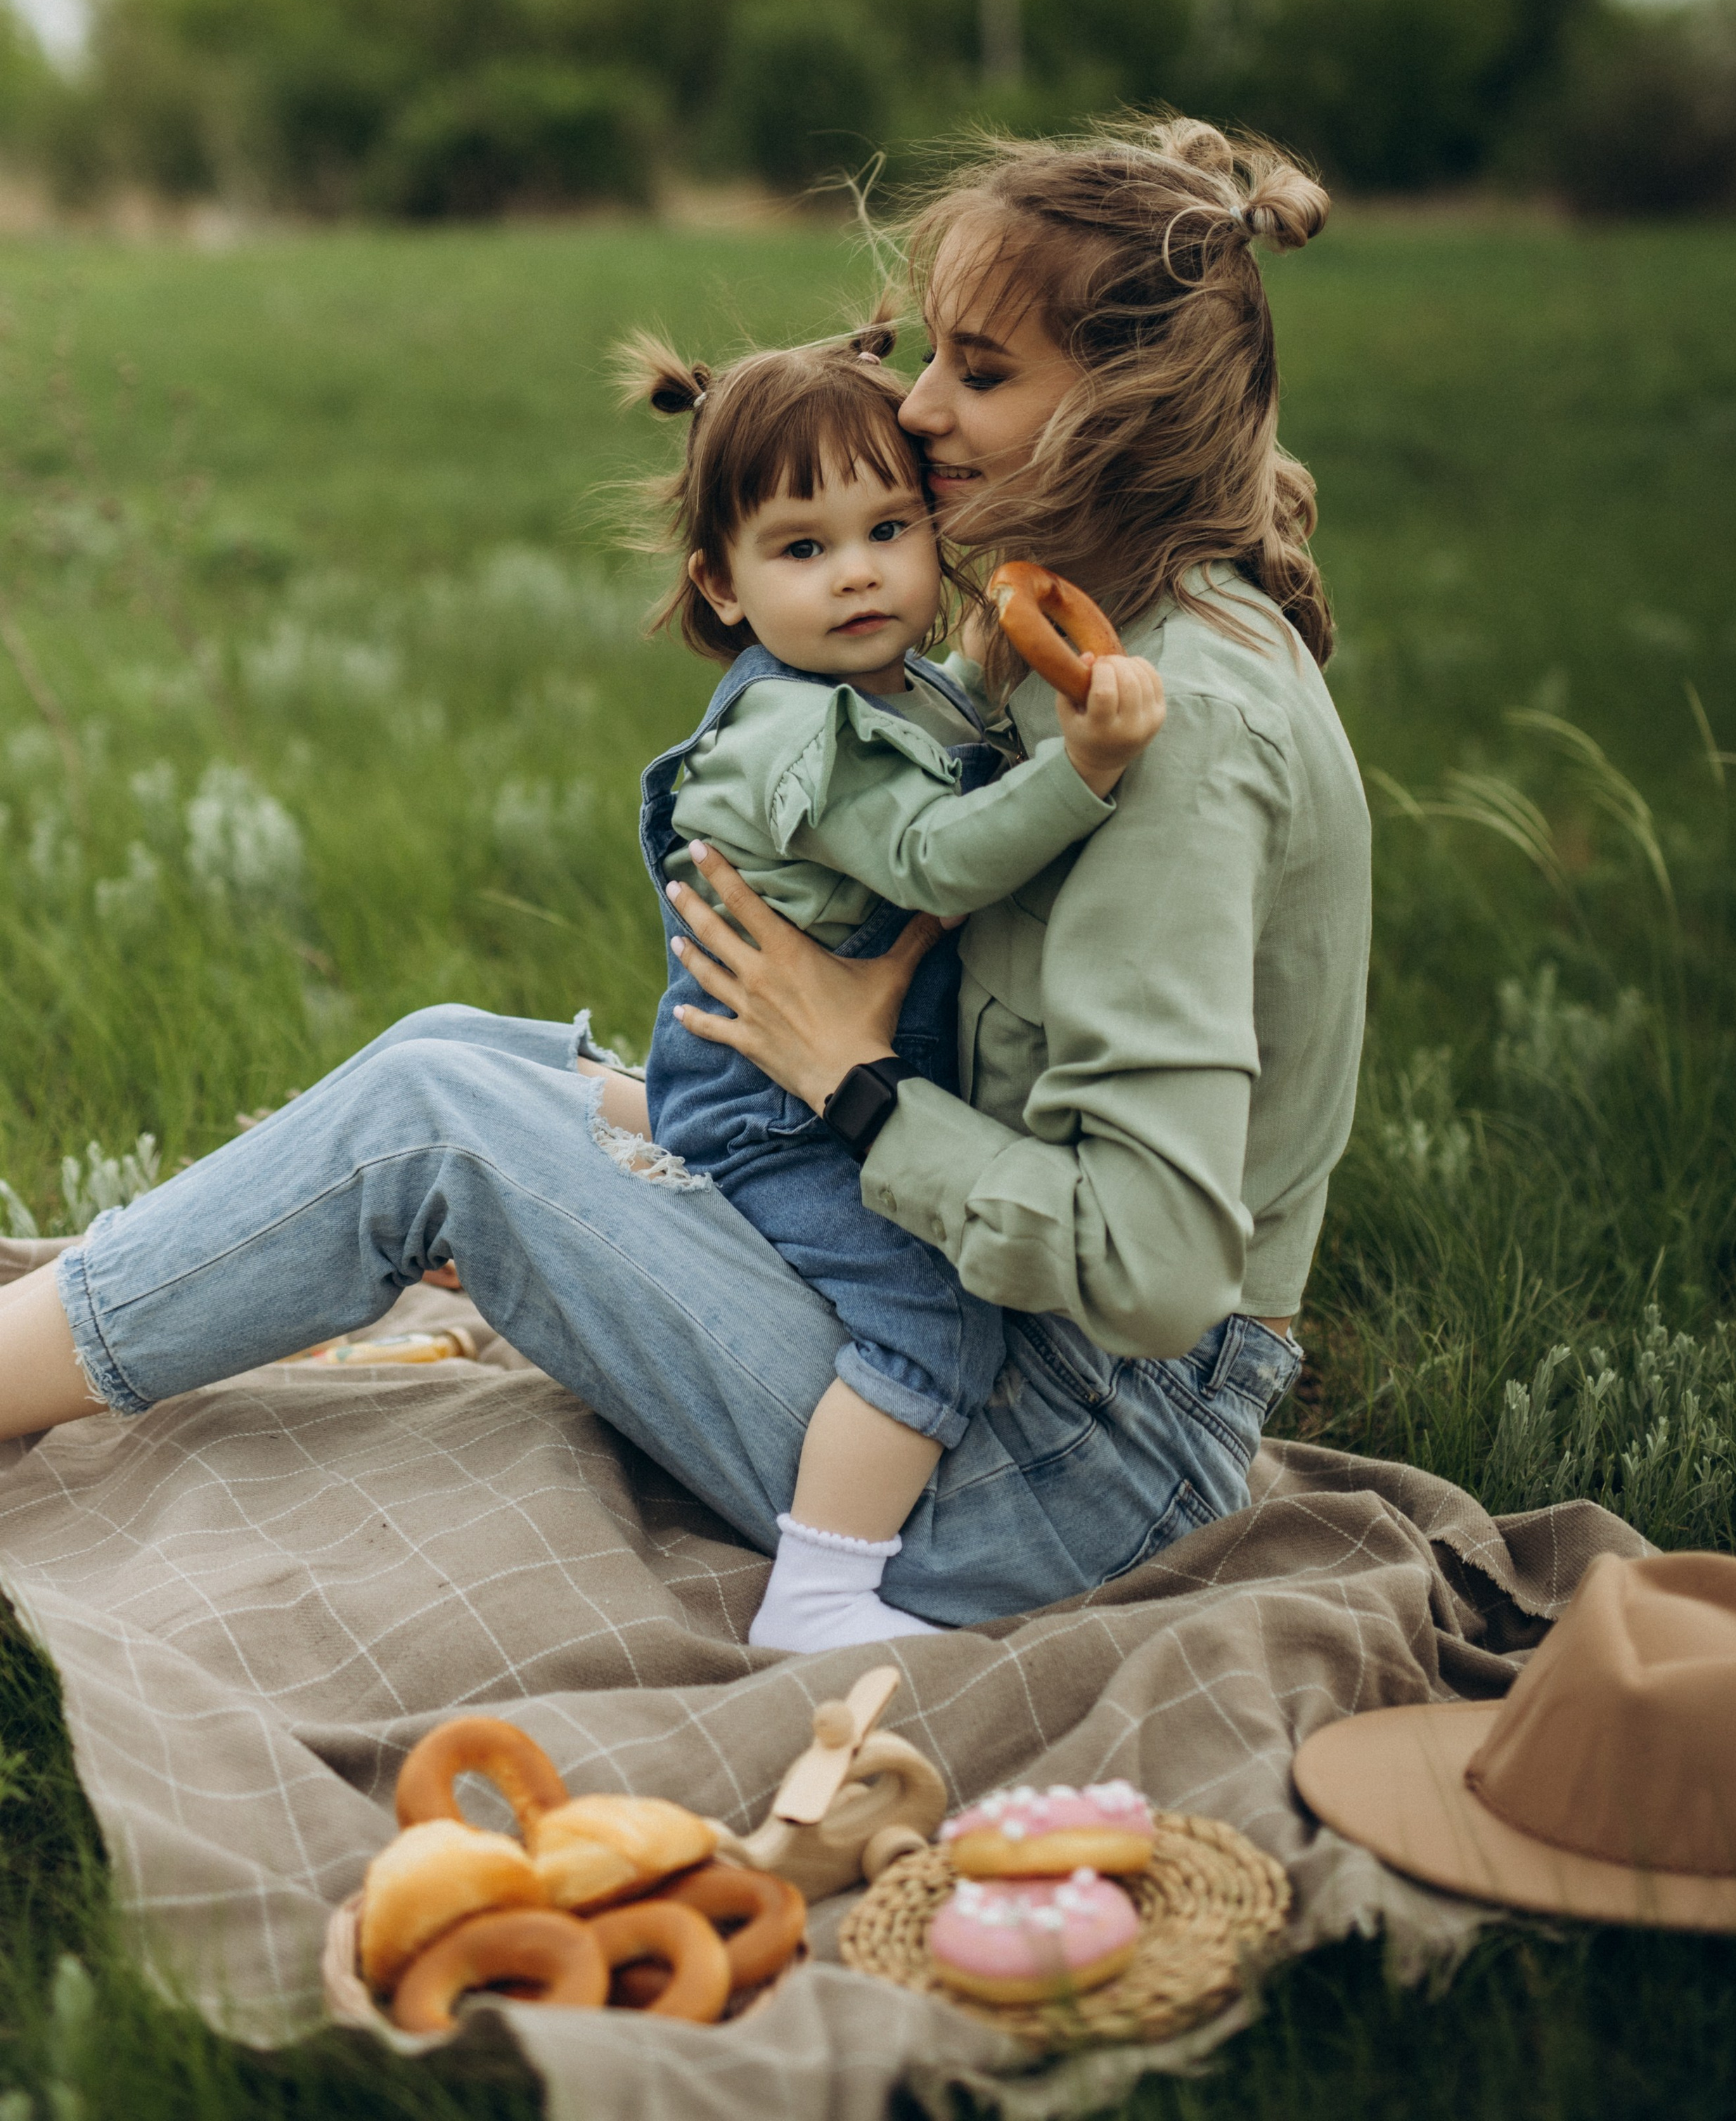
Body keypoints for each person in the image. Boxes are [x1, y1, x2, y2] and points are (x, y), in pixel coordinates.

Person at [0, 116, 1369, 1651]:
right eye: (930, 357)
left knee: (431, 1126)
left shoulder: (1177, 739)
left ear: (1128, 401)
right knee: (460, 1052)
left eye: (977, 373)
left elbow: (1157, 1269)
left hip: (1050, 1466)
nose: (914, 412)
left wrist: (847, 1085)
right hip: (1007, 1363)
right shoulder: (1104, 633)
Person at [616, 327, 1165, 1648]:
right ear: (725, 585)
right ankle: (820, 1592)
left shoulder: (893, 682)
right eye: (802, 549)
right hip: (775, 1107)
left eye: (889, 529)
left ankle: (633, 1135)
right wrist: (1082, 767)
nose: (857, 573)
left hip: (828, 1072)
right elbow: (936, 855)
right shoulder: (803, 729)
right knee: (935, 1312)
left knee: (927, 1281)